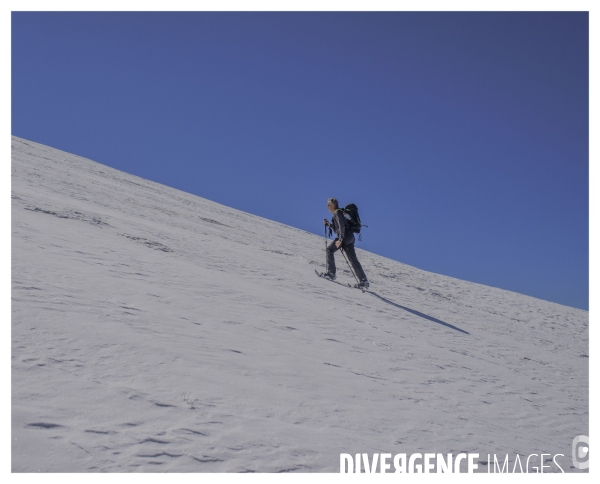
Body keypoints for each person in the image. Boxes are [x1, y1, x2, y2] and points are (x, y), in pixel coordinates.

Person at [323, 198, 369, 289]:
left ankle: (331, 273)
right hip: (350, 238)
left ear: (333, 205)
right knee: (353, 260)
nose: (327, 207)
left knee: (329, 250)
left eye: (328, 205)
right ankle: (364, 281)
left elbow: (341, 226)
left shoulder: (338, 213)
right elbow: (337, 228)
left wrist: (340, 238)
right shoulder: (340, 213)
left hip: (344, 237)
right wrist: (328, 224)